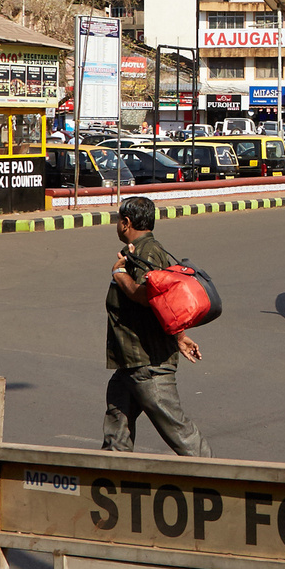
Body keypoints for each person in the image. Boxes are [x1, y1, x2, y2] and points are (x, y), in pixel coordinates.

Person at [100, 195, 208, 456]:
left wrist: (119, 274)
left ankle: (218, 477)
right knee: (117, 427)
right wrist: (180, 337)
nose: (117, 224)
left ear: (126, 223)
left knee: (179, 432)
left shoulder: (146, 253)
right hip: (130, 362)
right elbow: (164, 303)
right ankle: (113, 477)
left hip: (148, 363)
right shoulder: (139, 251)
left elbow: (146, 295)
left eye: (118, 220)